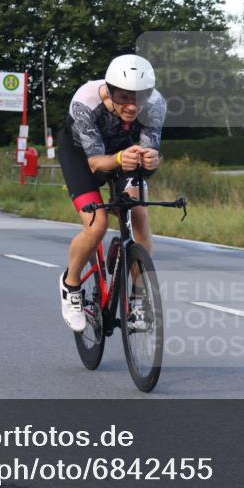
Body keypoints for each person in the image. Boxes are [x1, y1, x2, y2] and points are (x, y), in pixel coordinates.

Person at [57, 54, 165, 332]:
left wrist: (153, 160)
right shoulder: (86, 102)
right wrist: (119, 160)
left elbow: (148, 151)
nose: (132, 106)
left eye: (139, 98)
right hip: (82, 156)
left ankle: (139, 300)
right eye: (125, 97)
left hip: (124, 154)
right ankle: (71, 285)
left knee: (139, 214)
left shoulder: (155, 105)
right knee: (97, 225)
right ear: (109, 89)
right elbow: (95, 163)